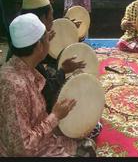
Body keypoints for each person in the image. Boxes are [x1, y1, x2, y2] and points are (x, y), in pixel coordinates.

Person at [0, 13, 95, 156]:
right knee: (87, 150)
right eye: (47, 37)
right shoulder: (14, 87)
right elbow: (22, 149)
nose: (50, 40)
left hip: (40, 136)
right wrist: (55, 116)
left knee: (87, 140)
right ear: (39, 45)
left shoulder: (21, 66)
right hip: (29, 151)